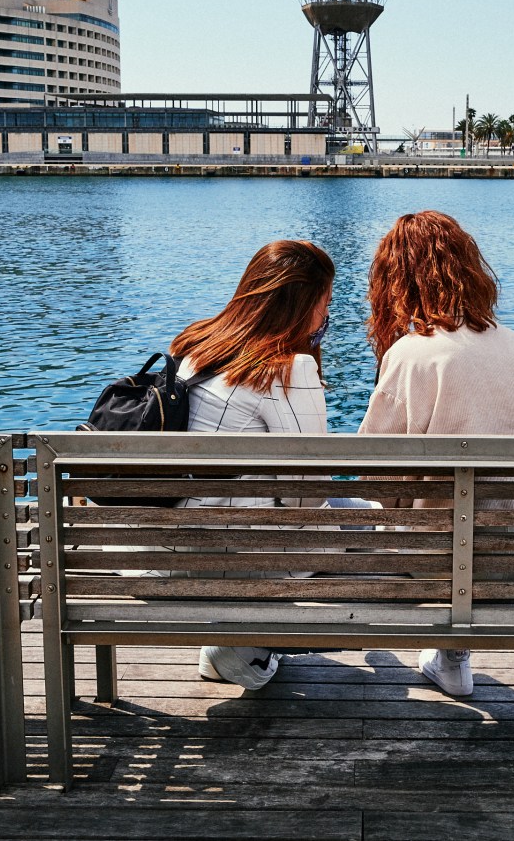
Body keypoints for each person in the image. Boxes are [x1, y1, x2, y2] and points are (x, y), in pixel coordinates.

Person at [359, 211, 514, 697]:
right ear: (469, 268)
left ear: (396, 279)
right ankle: (453, 658)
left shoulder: (411, 354)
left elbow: (374, 478)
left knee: (354, 516)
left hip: (439, 564)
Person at [169, 239, 335, 690]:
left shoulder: (197, 344)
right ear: (303, 305)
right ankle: (243, 651)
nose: (326, 318)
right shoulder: (287, 368)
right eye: (325, 304)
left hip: (168, 542)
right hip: (228, 555)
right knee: (364, 523)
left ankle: (233, 646)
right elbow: (310, 491)